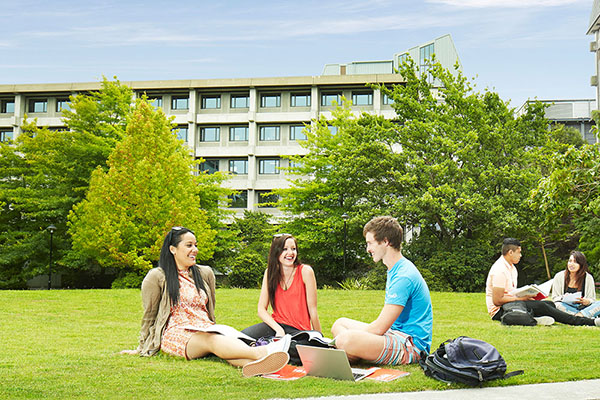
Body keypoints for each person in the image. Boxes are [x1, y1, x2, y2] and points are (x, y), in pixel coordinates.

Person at [120, 227, 291, 377]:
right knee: (211, 341)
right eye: (189, 245)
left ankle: (252, 366)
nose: (194, 249)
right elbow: (149, 315)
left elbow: (210, 309)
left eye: (195, 245)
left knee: (220, 342)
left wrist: (216, 329)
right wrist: (142, 347)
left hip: (206, 327)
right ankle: (264, 352)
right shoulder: (157, 276)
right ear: (173, 249)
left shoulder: (205, 273)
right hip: (176, 333)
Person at [331, 216, 432, 365]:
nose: (368, 249)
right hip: (394, 335)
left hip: (411, 346)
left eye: (370, 243)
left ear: (385, 241)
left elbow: (379, 328)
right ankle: (352, 352)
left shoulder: (404, 276)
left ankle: (350, 351)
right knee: (339, 324)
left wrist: (350, 338)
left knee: (345, 339)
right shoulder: (395, 269)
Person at [486, 238, 600, 327]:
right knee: (543, 306)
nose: (521, 255)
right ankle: (584, 321)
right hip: (501, 311)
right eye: (519, 252)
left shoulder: (511, 268)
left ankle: (533, 318)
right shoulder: (500, 270)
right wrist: (523, 298)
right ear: (510, 252)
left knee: (549, 304)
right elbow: (497, 300)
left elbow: (510, 293)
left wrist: (527, 294)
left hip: (513, 304)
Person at [242, 234, 322, 339]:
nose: (290, 253)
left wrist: (320, 339)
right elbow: (261, 309)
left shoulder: (305, 271)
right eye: (285, 249)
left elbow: (313, 311)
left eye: (293, 249)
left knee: (291, 347)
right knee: (240, 338)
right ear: (276, 252)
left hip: (298, 331)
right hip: (276, 326)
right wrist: (278, 329)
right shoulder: (269, 273)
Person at [551, 251, 600, 318]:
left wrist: (587, 301)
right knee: (557, 305)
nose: (571, 264)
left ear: (581, 264)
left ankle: (578, 316)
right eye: (570, 261)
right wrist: (563, 297)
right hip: (566, 306)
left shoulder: (588, 277)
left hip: (584, 307)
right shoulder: (559, 276)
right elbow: (555, 298)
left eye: (575, 262)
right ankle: (584, 316)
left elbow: (592, 299)